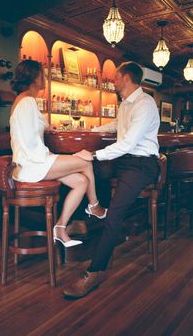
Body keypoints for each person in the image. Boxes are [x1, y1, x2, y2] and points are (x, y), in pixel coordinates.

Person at [63, 61, 160, 297]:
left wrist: (95, 153)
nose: (113, 81)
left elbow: (129, 142)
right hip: (125, 160)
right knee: (86, 172)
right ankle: (86, 216)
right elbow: (117, 126)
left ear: (126, 78)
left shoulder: (145, 103)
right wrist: (90, 132)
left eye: (115, 77)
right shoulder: (126, 104)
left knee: (115, 213)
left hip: (142, 165)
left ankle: (95, 271)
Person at [10, 59, 106, 248]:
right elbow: (30, 143)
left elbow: (34, 129)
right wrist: (53, 156)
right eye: (42, 74)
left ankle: (60, 228)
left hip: (32, 162)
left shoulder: (24, 101)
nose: (44, 78)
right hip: (32, 165)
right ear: (34, 77)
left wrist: (49, 129)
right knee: (85, 162)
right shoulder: (27, 101)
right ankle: (94, 206)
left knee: (81, 182)